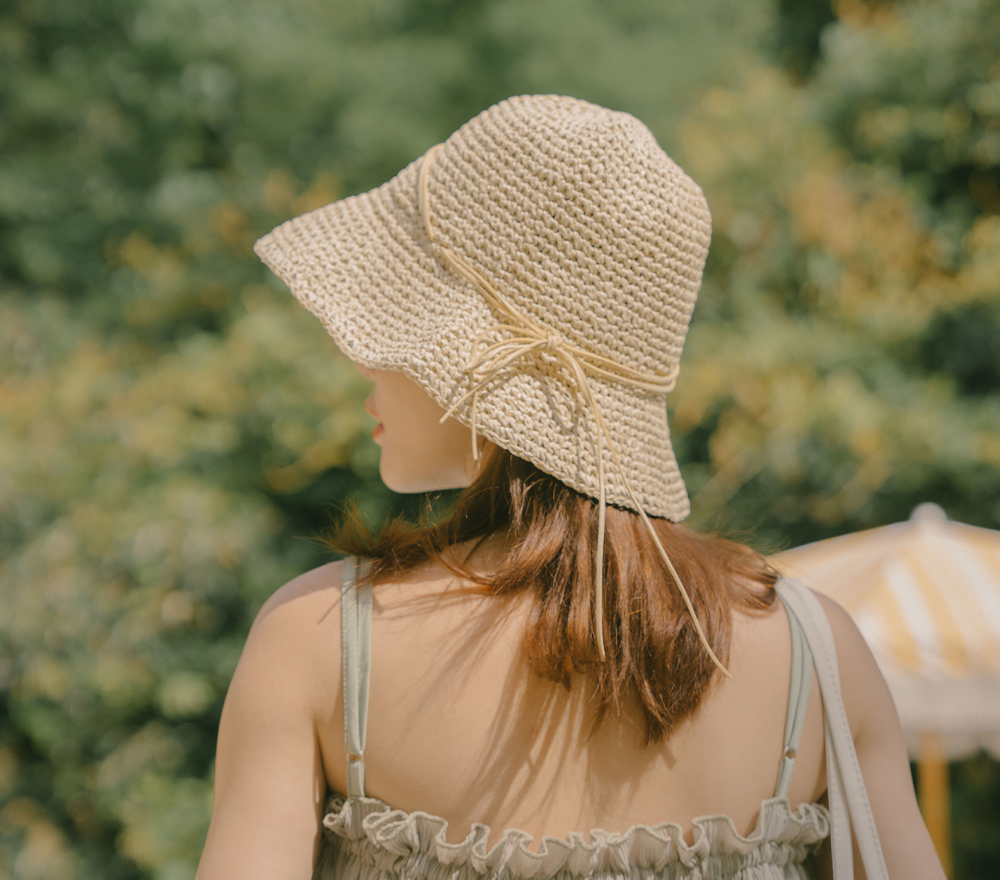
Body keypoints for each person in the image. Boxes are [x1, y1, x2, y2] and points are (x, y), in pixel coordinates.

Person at [195, 96, 945, 880]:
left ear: (480, 360)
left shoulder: (320, 641)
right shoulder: (817, 654)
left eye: (395, 320)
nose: (361, 359)